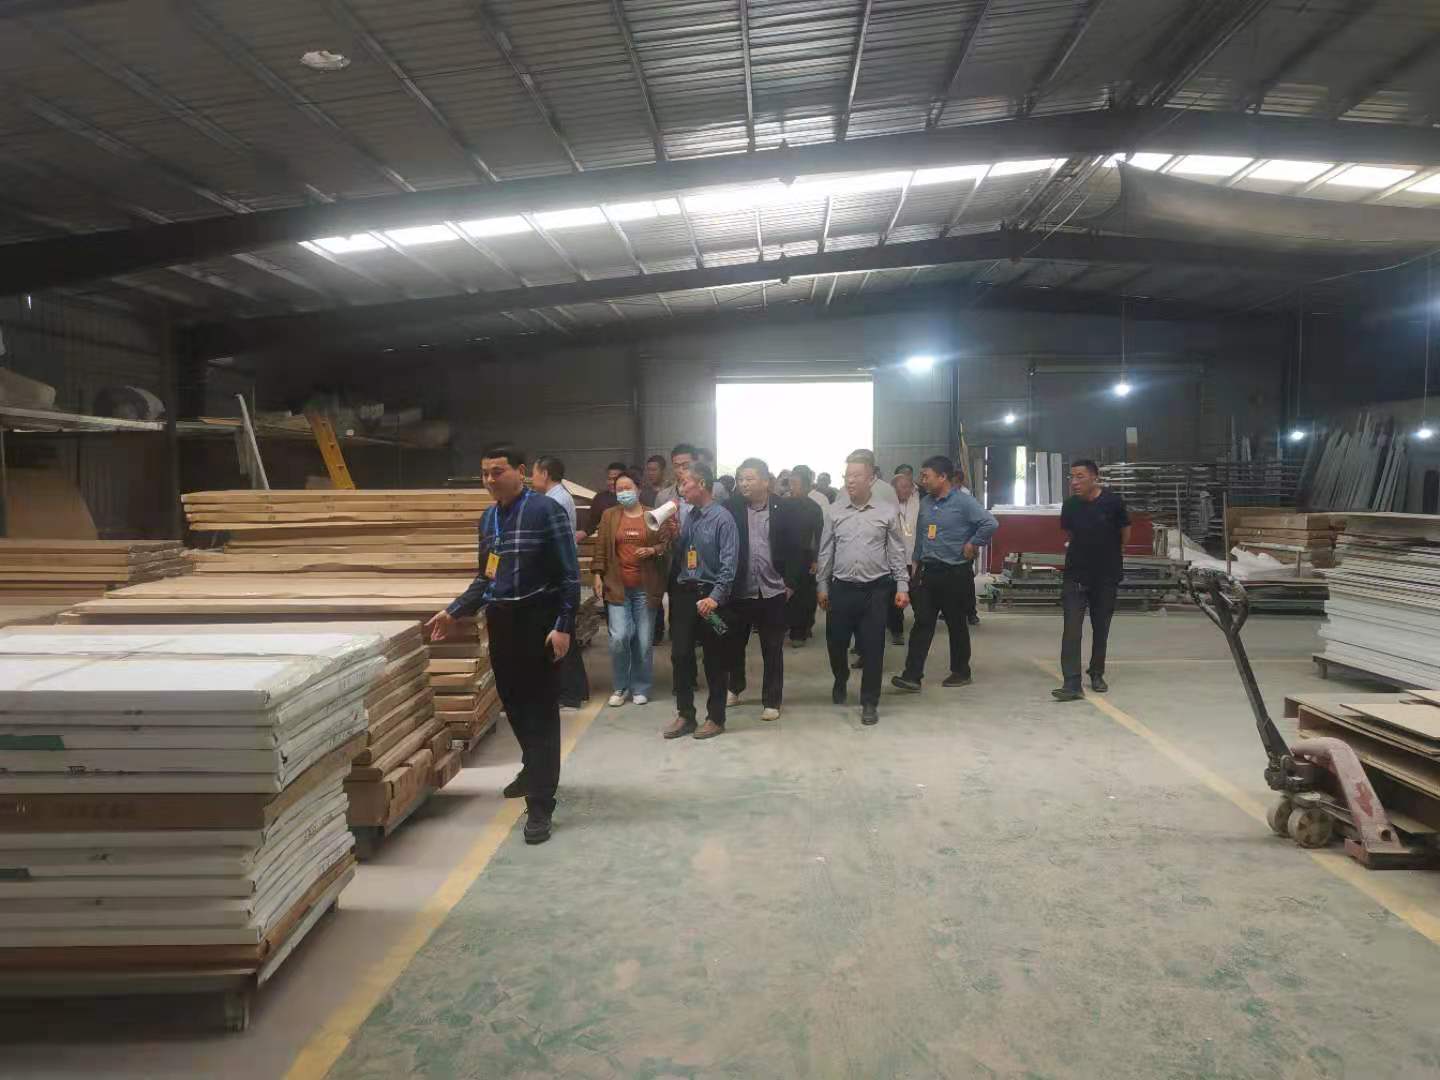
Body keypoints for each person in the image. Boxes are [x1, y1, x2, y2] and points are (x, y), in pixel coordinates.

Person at [428, 445, 579, 846]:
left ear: (521, 471)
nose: (490, 480)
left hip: (538, 620)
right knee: (513, 703)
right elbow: (486, 577)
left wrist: (564, 625)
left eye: (497, 472)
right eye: (485, 474)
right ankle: (533, 768)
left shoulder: (546, 511)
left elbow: (569, 574)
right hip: (502, 620)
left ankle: (541, 804)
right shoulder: (488, 518)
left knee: (541, 711)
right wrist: (455, 611)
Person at [893, 455, 998, 694]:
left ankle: (961, 671)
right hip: (929, 572)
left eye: (926, 476)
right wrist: (915, 565)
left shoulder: (964, 502)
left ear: (942, 477)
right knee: (922, 622)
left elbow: (990, 523)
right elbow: (921, 536)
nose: (922, 480)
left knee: (956, 623)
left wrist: (974, 543)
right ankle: (912, 675)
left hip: (955, 572)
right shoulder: (926, 502)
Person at [817, 458, 910, 726]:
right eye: (847, 475)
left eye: (857, 475)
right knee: (836, 643)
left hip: (876, 590)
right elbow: (826, 551)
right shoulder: (834, 511)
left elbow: (896, 551)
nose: (850, 480)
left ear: (871, 480)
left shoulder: (887, 512)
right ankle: (841, 677)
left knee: (873, 647)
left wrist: (902, 586)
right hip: (841, 588)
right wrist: (822, 585)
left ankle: (869, 701)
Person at [723, 458, 809, 722]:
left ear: (765, 481)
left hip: (773, 591)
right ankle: (735, 687)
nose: (744, 484)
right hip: (740, 590)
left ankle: (772, 700)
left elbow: (798, 548)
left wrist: (790, 584)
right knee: (733, 644)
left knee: (772, 648)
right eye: (740, 479)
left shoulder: (785, 508)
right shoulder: (731, 507)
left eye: (749, 479)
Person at [664, 462, 740, 740]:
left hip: (711, 599)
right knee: (680, 655)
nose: (681, 488)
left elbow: (729, 564)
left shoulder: (723, 519)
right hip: (685, 594)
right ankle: (685, 714)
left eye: (685, 483)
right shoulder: (690, 516)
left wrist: (715, 598)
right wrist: (674, 535)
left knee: (715, 659)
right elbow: (683, 554)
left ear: (703, 484)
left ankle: (716, 717)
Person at [1053, 459, 1131, 702]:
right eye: (1072, 477)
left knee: (1101, 627)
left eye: (1080, 477)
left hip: (1105, 576)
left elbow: (1125, 533)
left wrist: (1110, 554)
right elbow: (1072, 533)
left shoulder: (1113, 502)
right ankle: (1071, 683)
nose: (1074, 482)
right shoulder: (1070, 506)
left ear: (1094, 477)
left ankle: (1097, 672)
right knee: (1072, 629)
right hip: (1075, 575)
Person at [591, 472, 669, 708]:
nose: (623, 492)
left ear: (638, 489)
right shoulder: (609, 515)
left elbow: (666, 543)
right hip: (617, 587)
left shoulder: (652, 514)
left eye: (628, 488)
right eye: (619, 489)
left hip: (645, 587)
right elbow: (601, 547)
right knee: (619, 638)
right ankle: (620, 686)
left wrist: (653, 550)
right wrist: (597, 574)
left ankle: (641, 686)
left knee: (643, 641)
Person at [533, 456, 589, 710]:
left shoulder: (553, 501)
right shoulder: (561, 496)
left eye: (535, 472)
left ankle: (570, 693)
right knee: (566, 634)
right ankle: (576, 690)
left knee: (560, 633)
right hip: (561, 572)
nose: (532, 478)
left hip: (557, 574)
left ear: (545, 473)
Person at [652, 442, 698, 647]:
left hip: (703, 561)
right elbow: (655, 530)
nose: (681, 470)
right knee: (677, 604)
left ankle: (700, 637)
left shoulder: (712, 492)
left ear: (696, 463)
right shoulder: (664, 496)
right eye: (677, 465)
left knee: (703, 605)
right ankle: (679, 640)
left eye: (685, 465)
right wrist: (666, 533)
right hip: (675, 559)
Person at [784, 465, 826, 647]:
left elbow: (820, 535)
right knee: (788, 595)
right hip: (785, 557)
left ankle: (800, 631)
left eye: (796, 483)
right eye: (791, 483)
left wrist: (817, 559)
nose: (792, 487)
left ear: (807, 486)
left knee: (804, 596)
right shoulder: (782, 505)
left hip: (805, 557)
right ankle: (791, 626)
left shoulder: (814, 508)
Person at [889, 466, 921, 646]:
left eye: (909, 487)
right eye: (902, 487)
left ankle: (922, 626)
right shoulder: (887, 506)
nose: (906, 490)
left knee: (918, 596)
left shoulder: (918, 503)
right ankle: (897, 631)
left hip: (914, 558)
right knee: (895, 597)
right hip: (894, 560)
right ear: (894, 488)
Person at [579, 461, 627, 540]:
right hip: (606, 541)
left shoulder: (632, 498)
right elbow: (592, 524)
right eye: (609, 479)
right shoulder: (600, 498)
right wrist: (583, 533)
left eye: (615, 479)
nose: (612, 482)